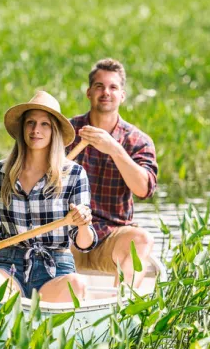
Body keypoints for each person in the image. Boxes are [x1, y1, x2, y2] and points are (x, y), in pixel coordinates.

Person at [0, 91, 97, 302]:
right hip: (9, 266)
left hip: (56, 268)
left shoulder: (74, 174)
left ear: (54, 131)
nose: (36, 130)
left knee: (77, 284)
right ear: (22, 128)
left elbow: (84, 243)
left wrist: (83, 223)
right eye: (30, 123)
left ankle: (37, 324)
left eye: (44, 124)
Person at [66, 59, 158, 287]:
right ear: (89, 92)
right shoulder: (66, 132)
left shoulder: (138, 140)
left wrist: (114, 149)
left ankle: (120, 311)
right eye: (99, 86)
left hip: (110, 237)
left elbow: (143, 189)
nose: (106, 92)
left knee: (142, 240)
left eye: (113, 87)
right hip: (68, 232)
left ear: (122, 95)